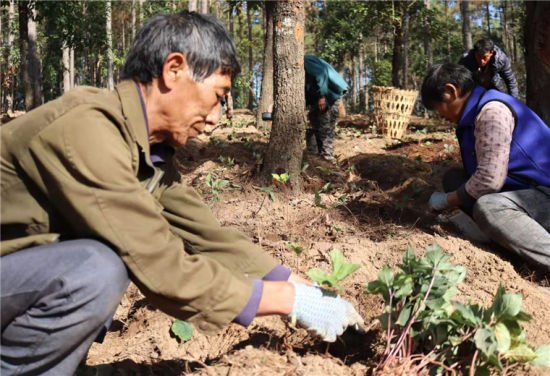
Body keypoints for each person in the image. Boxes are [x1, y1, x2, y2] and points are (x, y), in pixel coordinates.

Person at [0, 12, 363, 375]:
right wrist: (287, 302)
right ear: (174, 69)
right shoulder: (87, 131)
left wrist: (299, 286)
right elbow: (159, 264)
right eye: (218, 96)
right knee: (97, 269)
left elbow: (205, 236)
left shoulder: (147, 149)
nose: (217, 116)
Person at [421, 63, 550, 272]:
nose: (438, 115)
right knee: (454, 179)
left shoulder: (492, 112)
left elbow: (490, 179)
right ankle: (501, 236)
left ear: (451, 91)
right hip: (526, 192)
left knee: (489, 207)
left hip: (544, 194)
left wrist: (447, 200)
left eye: (437, 107)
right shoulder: (477, 111)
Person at [304, 55, 348, 162]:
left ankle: (328, 156)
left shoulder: (304, 60)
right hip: (318, 97)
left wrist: (322, 96)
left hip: (329, 94)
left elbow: (321, 74)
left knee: (325, 124)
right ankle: (317, 154)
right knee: (313, 120)